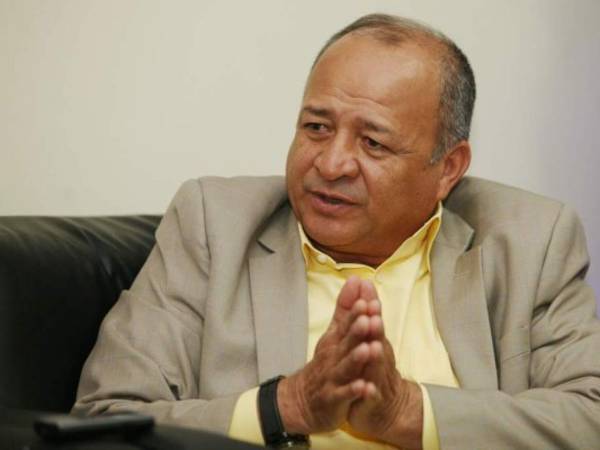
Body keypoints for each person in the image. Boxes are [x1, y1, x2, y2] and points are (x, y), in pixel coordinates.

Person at [73, 13, 600, 449]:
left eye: (373, 143)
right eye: (317, 128)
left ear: (448, 169)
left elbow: (590, 416)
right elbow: (103, 421)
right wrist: (289, 405)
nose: (331, 163)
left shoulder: (529, 241)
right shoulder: (215, 225)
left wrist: (405, 412)